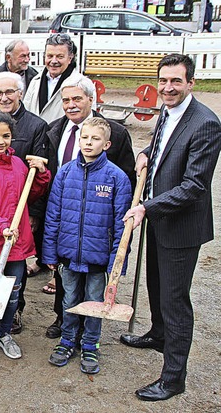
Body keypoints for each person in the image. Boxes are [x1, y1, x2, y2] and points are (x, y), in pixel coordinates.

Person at [121, 54, 221, 402]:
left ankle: (174, 378)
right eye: (163, 81)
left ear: (191, 83)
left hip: (180, 226)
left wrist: (146, 207)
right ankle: (158, 335)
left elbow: (195, 186)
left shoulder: (205, 123)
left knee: (175, 300)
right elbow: (164, 144)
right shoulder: (168, 110)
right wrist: (146, 151)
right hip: (161, 219)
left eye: (176, 81)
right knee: (157, 287)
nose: (168, 88)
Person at [43, 78, 136, 339]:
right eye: (66, 100)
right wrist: (50, 249)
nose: (71, 105)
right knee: (68, 290)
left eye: (77, 99)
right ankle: (66, 328)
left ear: (90, 100)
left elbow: (123, 201)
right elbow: (54, 209)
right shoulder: (56, 130)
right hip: (69, 238)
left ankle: (89, 338)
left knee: (94, 294)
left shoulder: (115, 135)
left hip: (98, 238)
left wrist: (119, 258)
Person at [0, 110, 50, 367]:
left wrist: (41, 174)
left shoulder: (18, 165)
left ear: (12, 137)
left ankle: (3, 335)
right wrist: (2, 227)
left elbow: (32, 193)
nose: (1, 141)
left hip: (18, 242)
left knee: (13, 294)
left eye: (6, 136)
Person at [23, 33, 93, 123]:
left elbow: (89, 120)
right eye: (50, 56)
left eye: (60, 56)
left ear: (70, 58)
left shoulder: (82, 83)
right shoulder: (35, 81)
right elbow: (25, 112)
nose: (54, 61)